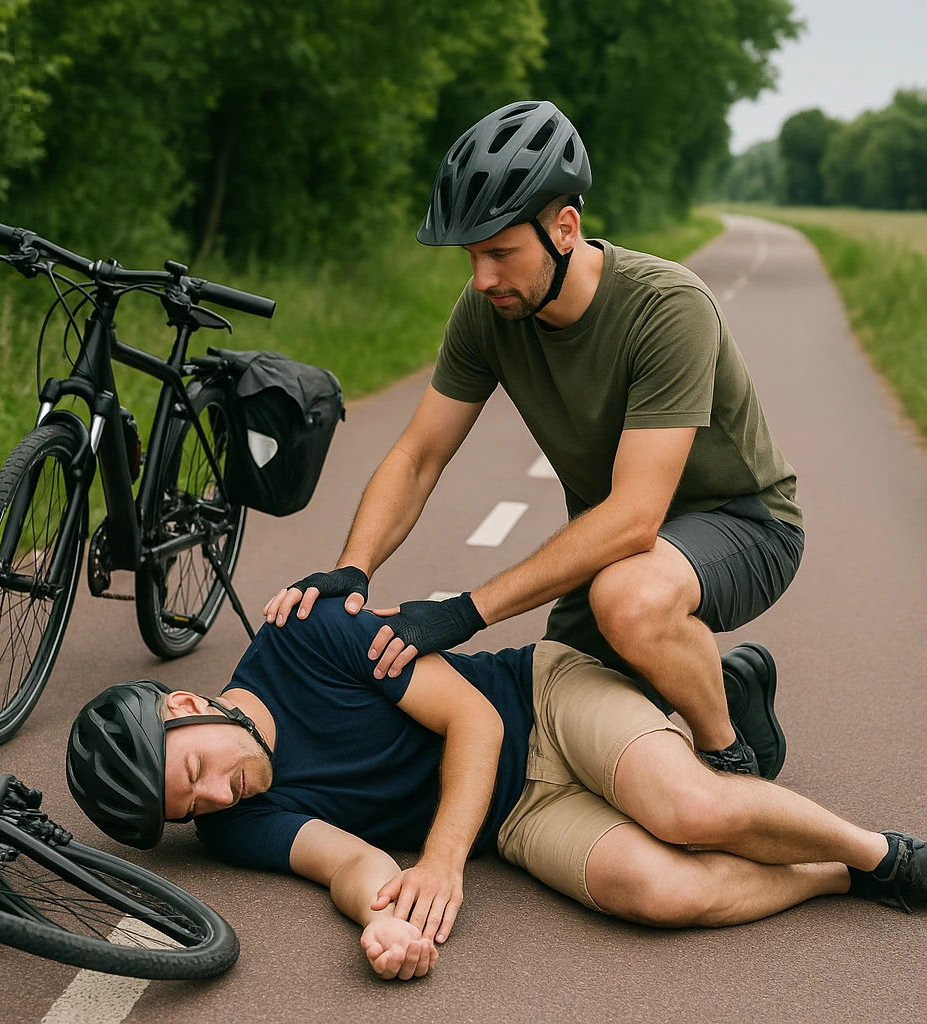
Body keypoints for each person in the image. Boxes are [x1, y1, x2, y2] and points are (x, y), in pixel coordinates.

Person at [262, 100, 804, 778]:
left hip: (743, 524)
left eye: (500, 253)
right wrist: (354, 567)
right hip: (615, 553)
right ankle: (729, 685)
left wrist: (465, 612)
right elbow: (418, 455)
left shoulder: (668, 310)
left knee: (629, 605)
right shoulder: (488, 313)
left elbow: (637, 518)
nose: (482, 278)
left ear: (565, 228)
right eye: (471, 257)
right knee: (553, 714)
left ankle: (729, 755)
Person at [67, 601, 927, 982]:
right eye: (194, 809)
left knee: (688, 811)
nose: (219, 796)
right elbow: (347, 862)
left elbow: (474, 721)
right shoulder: (235, 825)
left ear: (186, 706)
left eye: (197, 773)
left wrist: (441, 863)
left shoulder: (305, 638)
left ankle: (885, 854)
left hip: (540, 700)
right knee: (657, 890)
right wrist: (387, 921)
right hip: (517, 816)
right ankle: (836, 879)